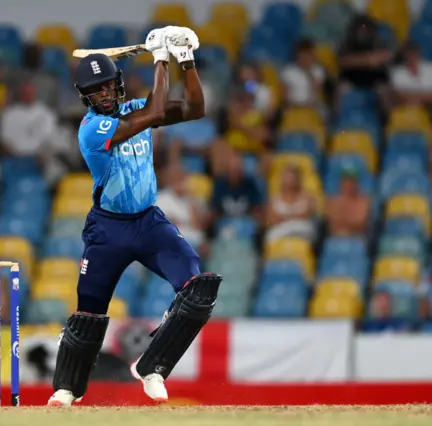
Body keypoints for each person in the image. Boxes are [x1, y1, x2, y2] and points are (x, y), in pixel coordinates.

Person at [47, 26, 222, 407]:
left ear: (119, 85)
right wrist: (160, 57)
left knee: (199, 287)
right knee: (89, 310)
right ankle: (66, 389)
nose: (107, 95)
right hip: (108, 230)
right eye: (99, 91)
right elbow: (157, 111)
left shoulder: (133, 110)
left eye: (111, 86)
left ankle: (152, 365)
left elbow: (197, 108)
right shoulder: (93, 130)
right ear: (86, 98)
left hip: (149, 223)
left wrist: (186, 61)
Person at [264, 166, 317, 244]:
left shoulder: (308, 198)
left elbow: (307, 215)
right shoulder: (274, 200)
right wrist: (294, 217)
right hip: (279, 230)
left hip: (301, 229)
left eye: (292, 178)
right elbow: (269, 221)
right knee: (272, 235)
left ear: (298, 180)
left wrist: (284, 217)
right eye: (286, 178)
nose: (289, 182)